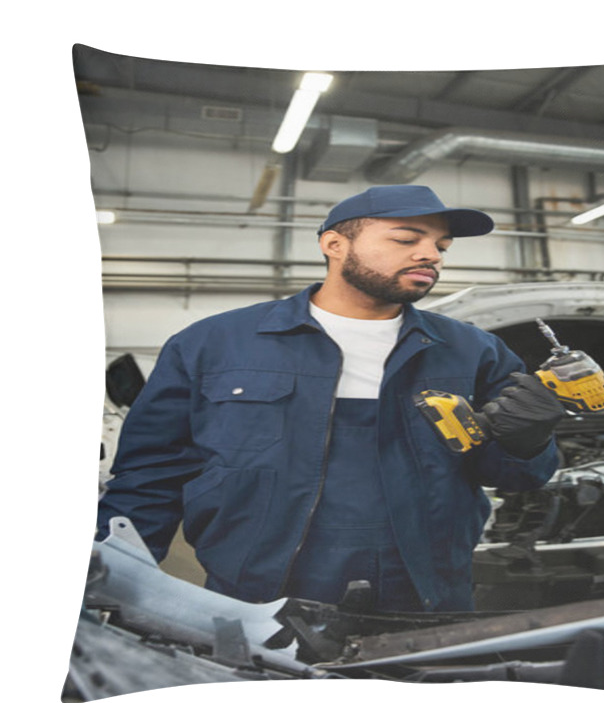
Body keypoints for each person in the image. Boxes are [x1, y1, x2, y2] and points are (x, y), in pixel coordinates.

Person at [96, 185, 565, 612]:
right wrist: (107, 579)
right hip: (256, 592)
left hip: (428, 593)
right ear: (334, 245)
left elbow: (514, 476)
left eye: (440, 247)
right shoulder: (214, 345)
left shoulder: (473, 351)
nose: (432, 255)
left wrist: (529, 441)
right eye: (407, 239)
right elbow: (150, 475)